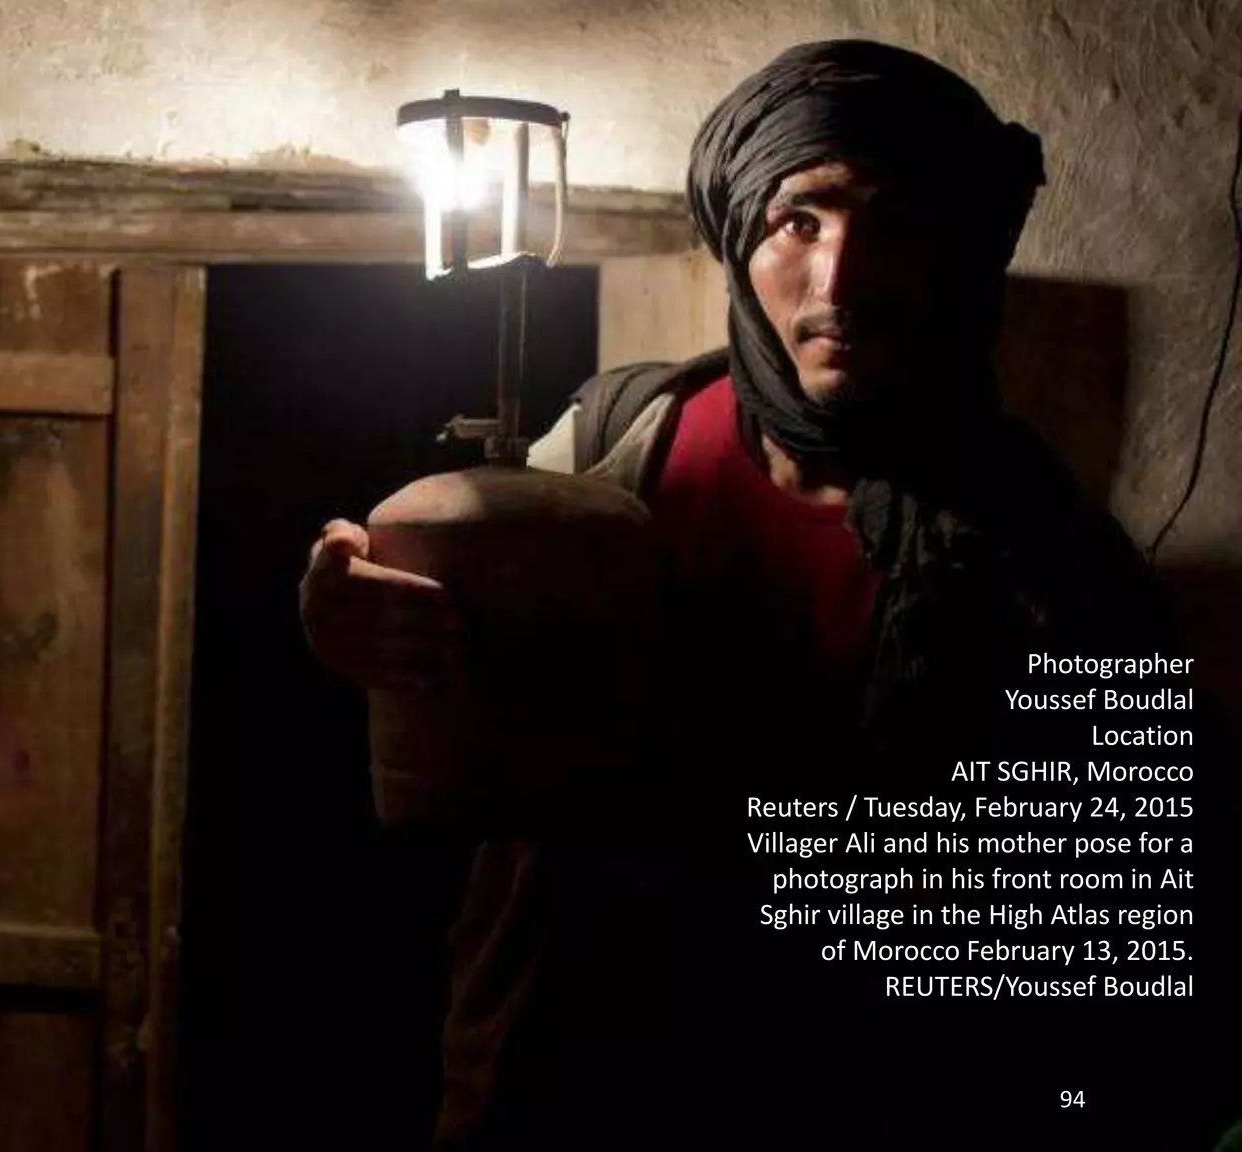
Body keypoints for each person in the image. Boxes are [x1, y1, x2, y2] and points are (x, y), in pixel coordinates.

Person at [301, 40, 1232, 1148]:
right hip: (568, 1072)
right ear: (740, 238)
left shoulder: (1052, 558)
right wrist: (356, 613)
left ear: (959, 258)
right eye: (799, 221)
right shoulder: (615, 443)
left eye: (895, 223)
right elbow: (452, 652)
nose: (840, 281)